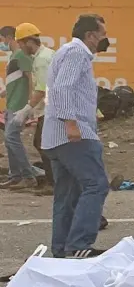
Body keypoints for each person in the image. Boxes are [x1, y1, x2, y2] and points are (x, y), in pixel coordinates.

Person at [41, 14, 113, 258]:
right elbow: (63, 88)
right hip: (73, 135)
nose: (105, 39)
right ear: (90, 35)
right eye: (102, 35)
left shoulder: (67, 52)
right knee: (96, 185)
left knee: (68, 194)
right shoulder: (76, 53)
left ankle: (62, 249)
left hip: (56, 136)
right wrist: (71, 123)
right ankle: (80, 244)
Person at [2, 25, 37, 190]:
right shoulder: (14, 57)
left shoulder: (22, 55)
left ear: (9, 37)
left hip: (19, 105)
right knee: (9, 140)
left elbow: (31, 78)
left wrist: (29, 105)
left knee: (11, 137)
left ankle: (28, 176)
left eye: (2, 40)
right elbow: (16, 81)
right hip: (11, 103)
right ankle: (15, 176)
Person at [23, 24, 56, 195]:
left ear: (29, 42)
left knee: (43, 144)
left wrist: (28, 108)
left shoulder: (42, 60)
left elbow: (42, 89)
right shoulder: (46, 54)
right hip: (52, 108)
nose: (20, 47)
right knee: (45, 144)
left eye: (21, 43)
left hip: (50, 109)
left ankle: (54, 182)